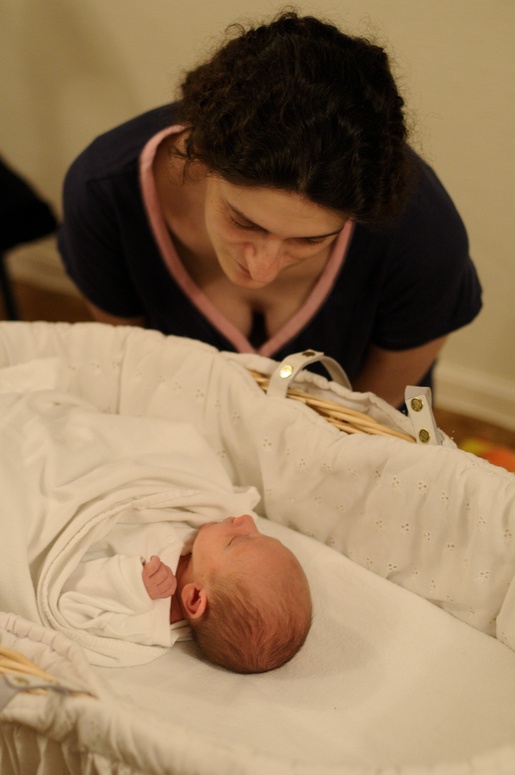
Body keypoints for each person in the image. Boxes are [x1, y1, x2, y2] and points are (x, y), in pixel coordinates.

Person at [58, 11, 482, 408]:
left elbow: (372, 421)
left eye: (310, 240)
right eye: (242, 222)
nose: (262, 270)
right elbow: (134, 369)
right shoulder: (105, 195)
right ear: (199, 157)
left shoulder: (423, 236)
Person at [58, 514, 313, 674]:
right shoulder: (205, 548)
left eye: (234, 541)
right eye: (261, 533)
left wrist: (130, 584)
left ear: (195, 599)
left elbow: (68, 604)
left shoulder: (144, 625)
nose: (247, 520)